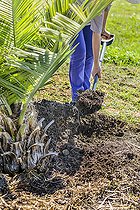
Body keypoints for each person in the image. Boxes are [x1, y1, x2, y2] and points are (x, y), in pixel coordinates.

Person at [69, 4, 112, 102]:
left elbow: (105, 9)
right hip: (71, 17)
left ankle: (85, 94)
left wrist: (102, 29)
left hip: (88, 19)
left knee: (90, 54)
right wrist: (96, 65)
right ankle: (77, 97)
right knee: (79, 53)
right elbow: (96, 33)